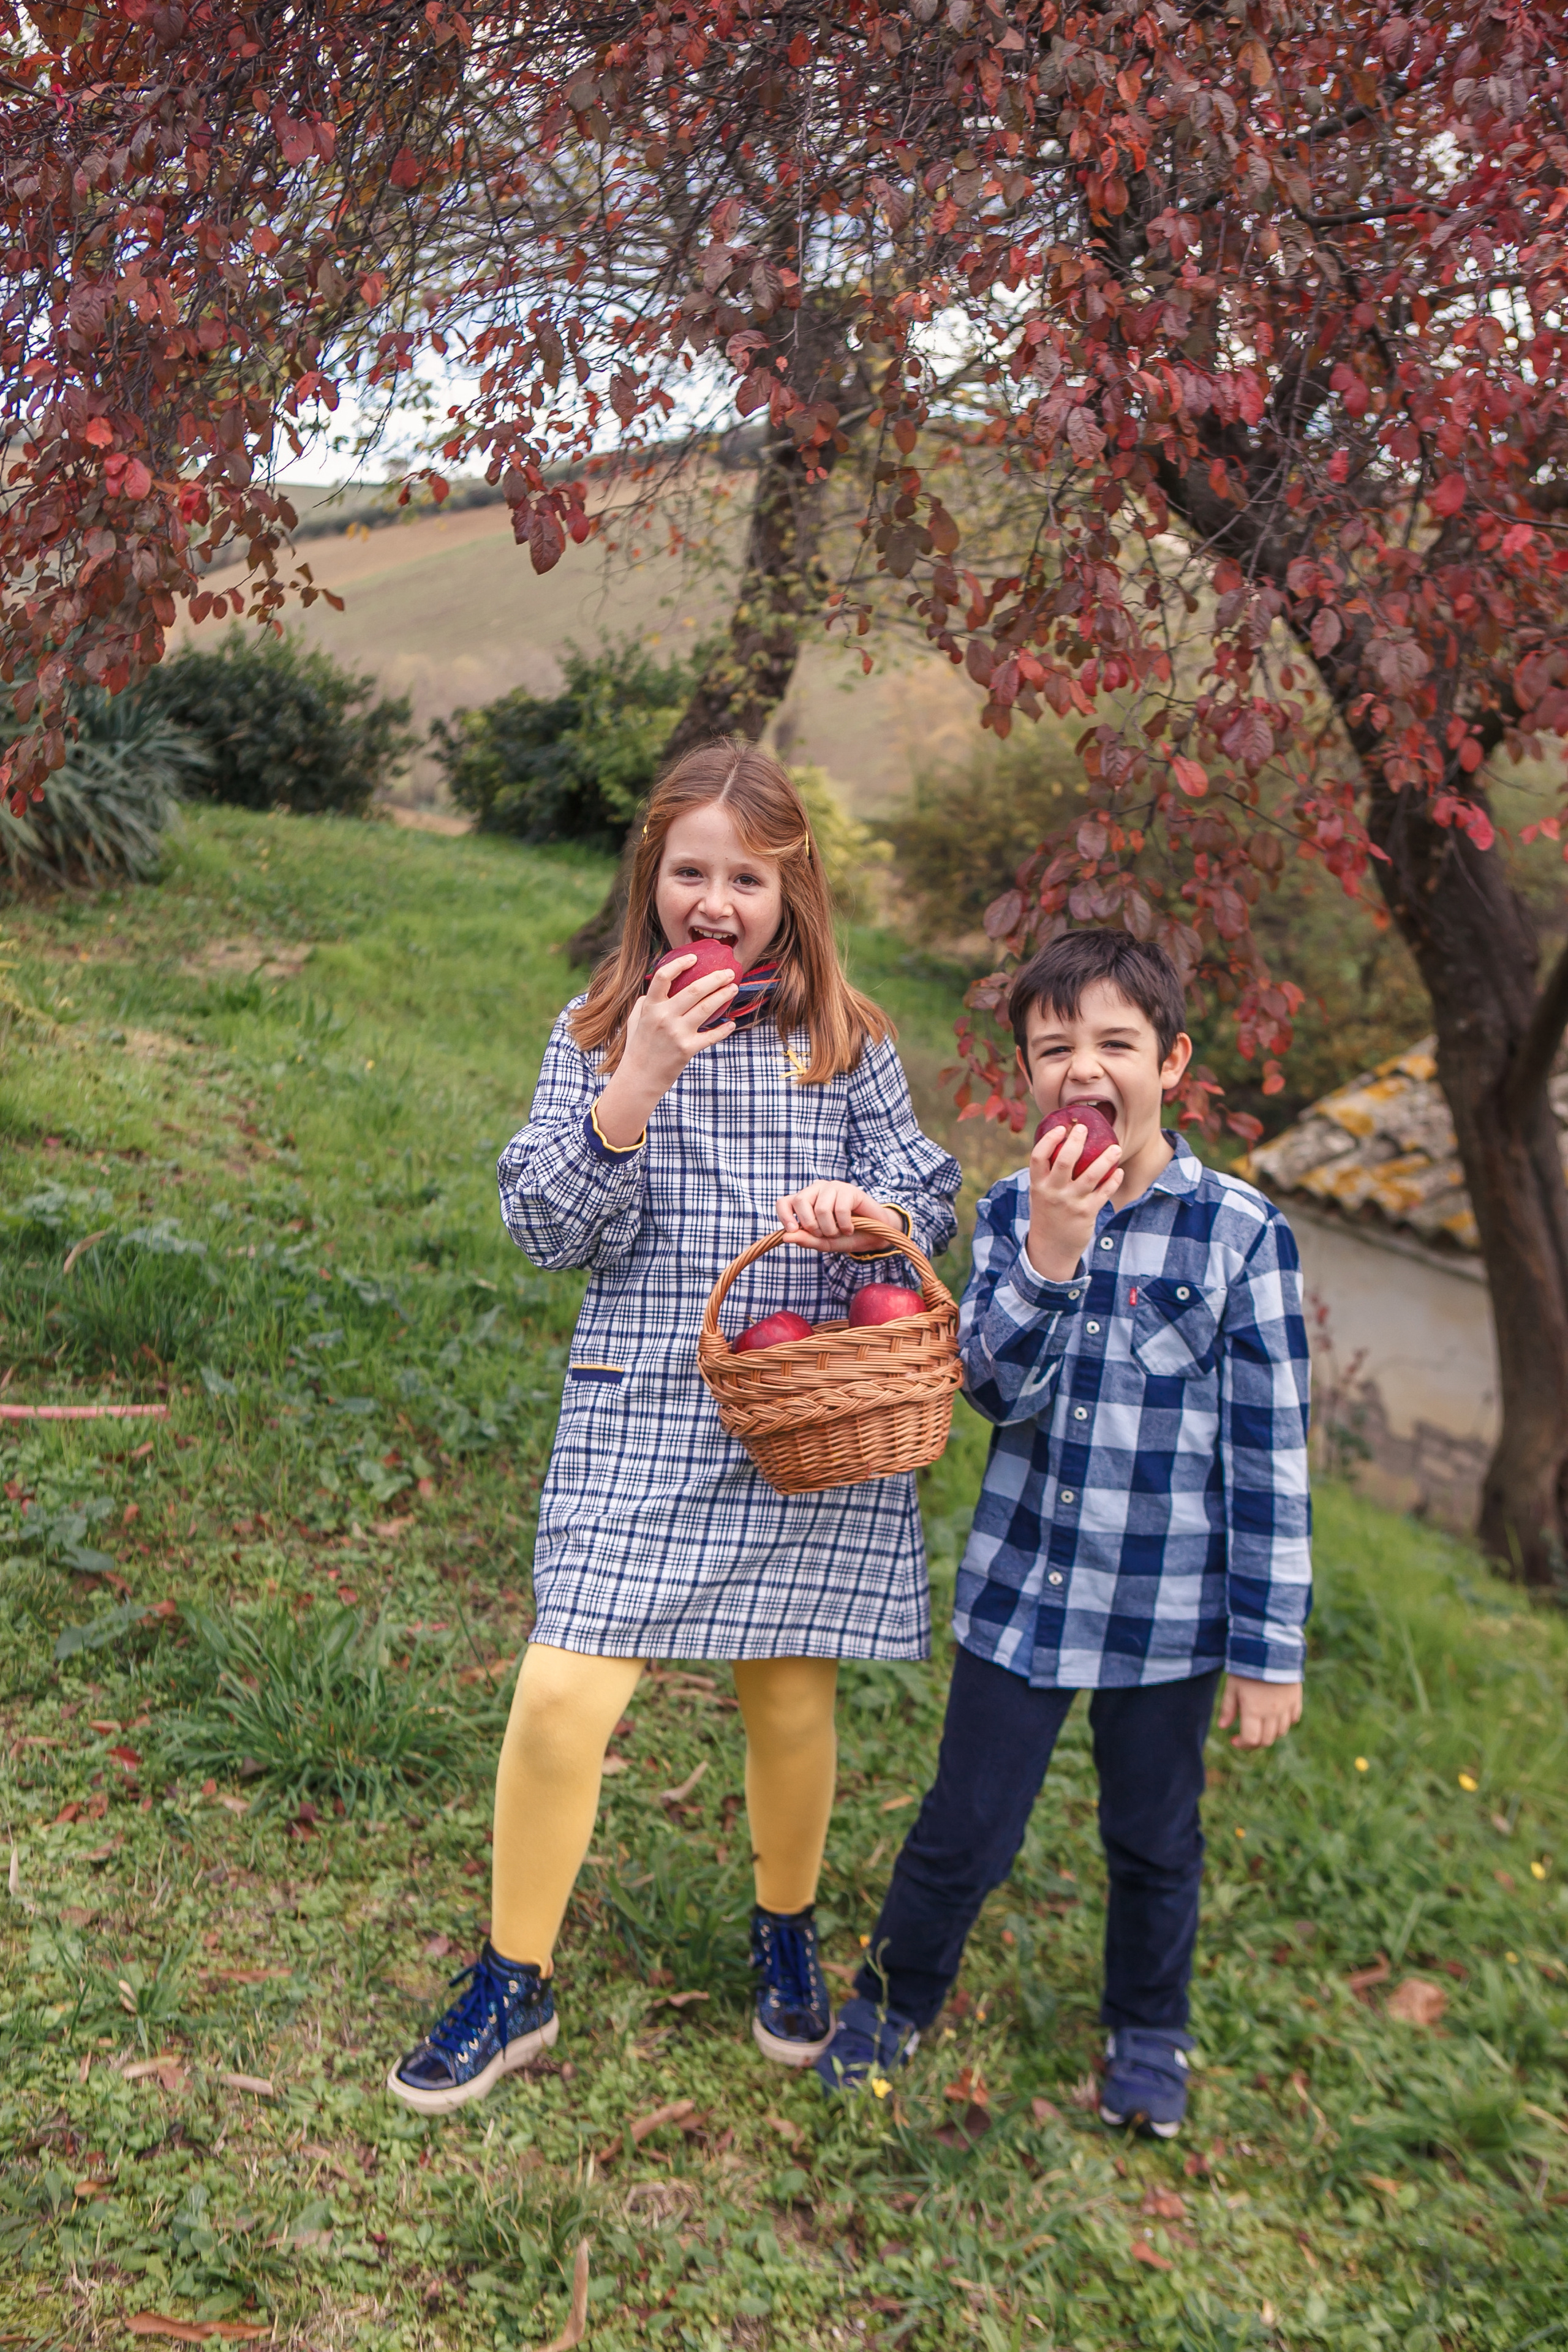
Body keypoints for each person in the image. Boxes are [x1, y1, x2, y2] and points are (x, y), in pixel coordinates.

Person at [388, 739, 962, 2115]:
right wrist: (631, 1085)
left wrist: (873, 1222)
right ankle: (511, 1978)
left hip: (800, 1409)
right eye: (690, 871)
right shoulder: (593, 1033)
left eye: (746, 877)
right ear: (652, 880)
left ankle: (784, 1930)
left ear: (790, 892)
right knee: (563, 1693)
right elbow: (544, 1227)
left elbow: (926, 1197)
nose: (716, 899)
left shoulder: (847, 1041)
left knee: (788, 1694)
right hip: (644, 1405)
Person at [812, 930, 1311, 2138]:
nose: (1082, 1068)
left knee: (1151, 1838)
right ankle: (891, 2002)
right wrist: (1050, 1248)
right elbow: (990, 1391)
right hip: (1026, 1590)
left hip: (1166, 1612)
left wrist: (1267, 1644)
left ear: (1171, 1063)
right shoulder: (1008, 1210)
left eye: (1113, 1045)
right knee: (962, 1826)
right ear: (1025, 1072)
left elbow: (1270, 1451)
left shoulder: (1240, 1234)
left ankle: (1147, 2035)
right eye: (1053, 1048)